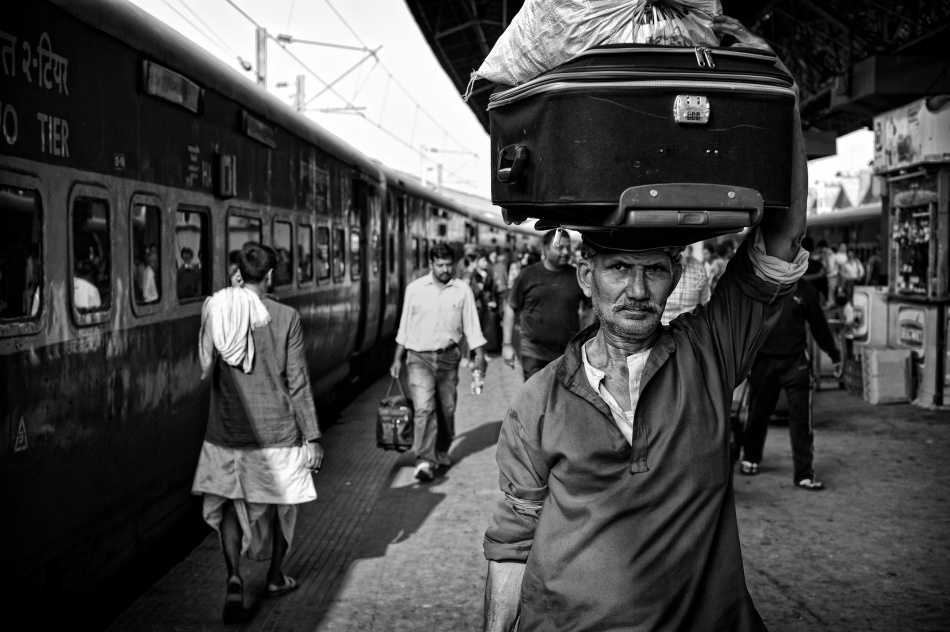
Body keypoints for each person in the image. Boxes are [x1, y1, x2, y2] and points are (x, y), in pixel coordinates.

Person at [483, 18, 809, 629]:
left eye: (655, 270)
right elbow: (511, 541)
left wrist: (783, 101)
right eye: (618, 269)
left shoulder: (709, 354)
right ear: (586, 276)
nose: (637, 291)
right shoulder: (537, 403)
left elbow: (782, 241)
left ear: (676, 273)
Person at [192, 242, 324, 623]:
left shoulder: (219, 310)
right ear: (269, 275)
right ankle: (275, 577)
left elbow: (206, 366)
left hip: (227, 432)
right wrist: (312, 436)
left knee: (231, 505)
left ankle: (234, 576)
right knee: (283, 506)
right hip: (278, 434)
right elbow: (298, 382)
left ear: (239, 273)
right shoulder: (286, 317)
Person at [390, 242, 487, 482]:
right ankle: (424, 459)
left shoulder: (462, 290)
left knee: (447, 408)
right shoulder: (414, 289)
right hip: (418, 357)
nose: (445, 269)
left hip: (448, 358)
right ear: (431, 264)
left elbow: (472, 327)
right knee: (424, 407)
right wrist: (396, 359)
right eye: (440, 265)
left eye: (448, 265)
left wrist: (480, 357)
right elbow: (404, 327)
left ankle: (441, 450)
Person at [738, 270, 842, 490]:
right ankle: (751, 456)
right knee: (757, 413)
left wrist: (834, 354)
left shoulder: (804, 289)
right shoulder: (758, 286)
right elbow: (742, 323)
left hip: (796, 363)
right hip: (763, 363)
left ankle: (804, 474)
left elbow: (819, 325)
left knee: (801, 420)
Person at [501, 229, 592, 382]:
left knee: (563, 396)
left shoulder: (577, 276)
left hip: (567, 354)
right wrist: (507, 344)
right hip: (533, 352)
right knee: (536, 395)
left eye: (568, 248)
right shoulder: (527, 275)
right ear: (545, 248)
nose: (565, 252)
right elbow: (510, 307)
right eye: (560, 247)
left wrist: (586, 336)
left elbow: (592, 306)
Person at [660, 247, 711, 325]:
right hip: (663, 327)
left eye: (689, 250)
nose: (688, 254)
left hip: (690, 328)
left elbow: (706, 302)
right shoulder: (659, 267)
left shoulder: (698, 269)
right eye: (682, 250)